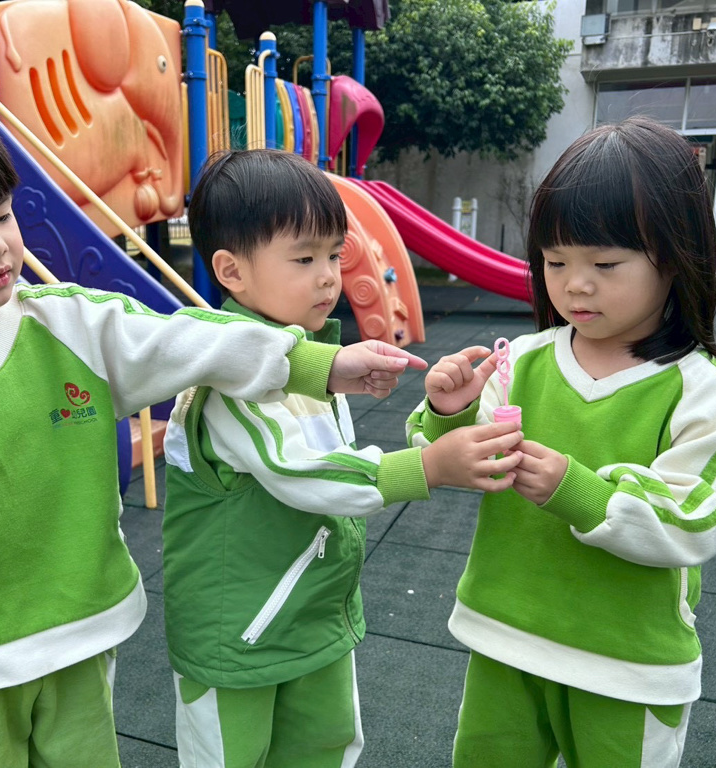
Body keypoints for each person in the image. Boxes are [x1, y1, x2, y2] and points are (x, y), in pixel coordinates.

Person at [0, 78, 427, 767]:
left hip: (81, 639)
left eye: (2, 215)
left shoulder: (69, 325)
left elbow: (191, 340)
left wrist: (322, 364)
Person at [407, 117, 716, 768]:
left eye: (605, 263)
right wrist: (451, 413)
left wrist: (580, 492)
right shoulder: (524, 360)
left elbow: (698, 514)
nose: (575, 285)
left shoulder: (700, 390)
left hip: (628, 662)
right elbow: (459, 455)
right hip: (505, 635)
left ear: (677, 257)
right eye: (556, 261)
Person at [161, 149, 525, 767]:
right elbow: (304, 472)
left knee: (326, 747)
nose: (329, 276)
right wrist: (429, 467)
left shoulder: (315, 360)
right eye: (304, 258)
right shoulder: (230, 380)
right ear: (231, 271)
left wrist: (444, 414)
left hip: (315, 616)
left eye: (334, 254)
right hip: (238, 632)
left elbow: (345, 461)